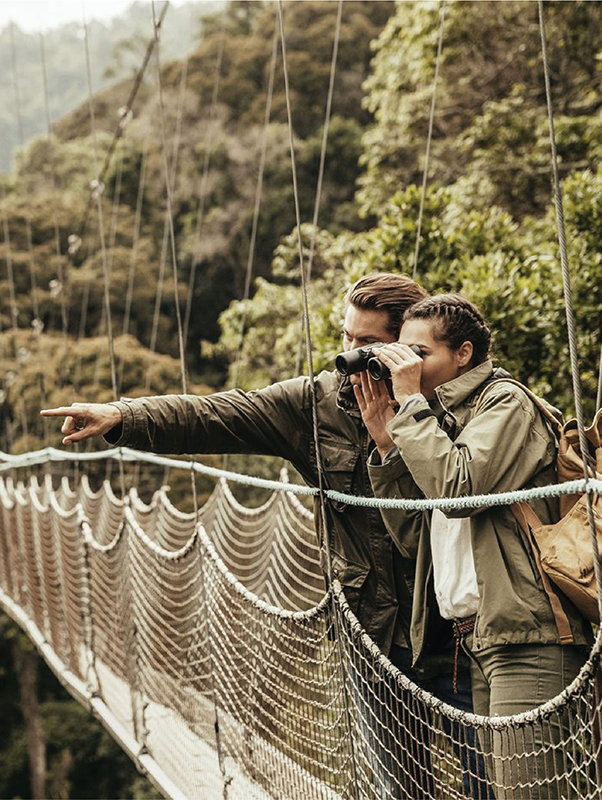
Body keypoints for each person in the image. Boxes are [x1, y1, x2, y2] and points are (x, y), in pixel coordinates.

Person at [42, 273, 484, 799]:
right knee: (398, 791)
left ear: (409, 346)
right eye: (347, 338)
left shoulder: (461, 406)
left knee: (491, 784)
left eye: (368, 344)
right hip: (370, 635)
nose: (351, 355)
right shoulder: (316, 406)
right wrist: (122, 417)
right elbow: (216, 414)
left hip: (456, 636)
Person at [360, 293, 591, 800]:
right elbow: (415, 535)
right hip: (476, 640)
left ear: (463, 354)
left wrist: (410, 409)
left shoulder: (505, 402)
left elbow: (460, 491)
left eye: (421, 354)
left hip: (527, 636)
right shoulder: (438, 419)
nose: (409, 367)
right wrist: (386, 448)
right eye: (402, 352)